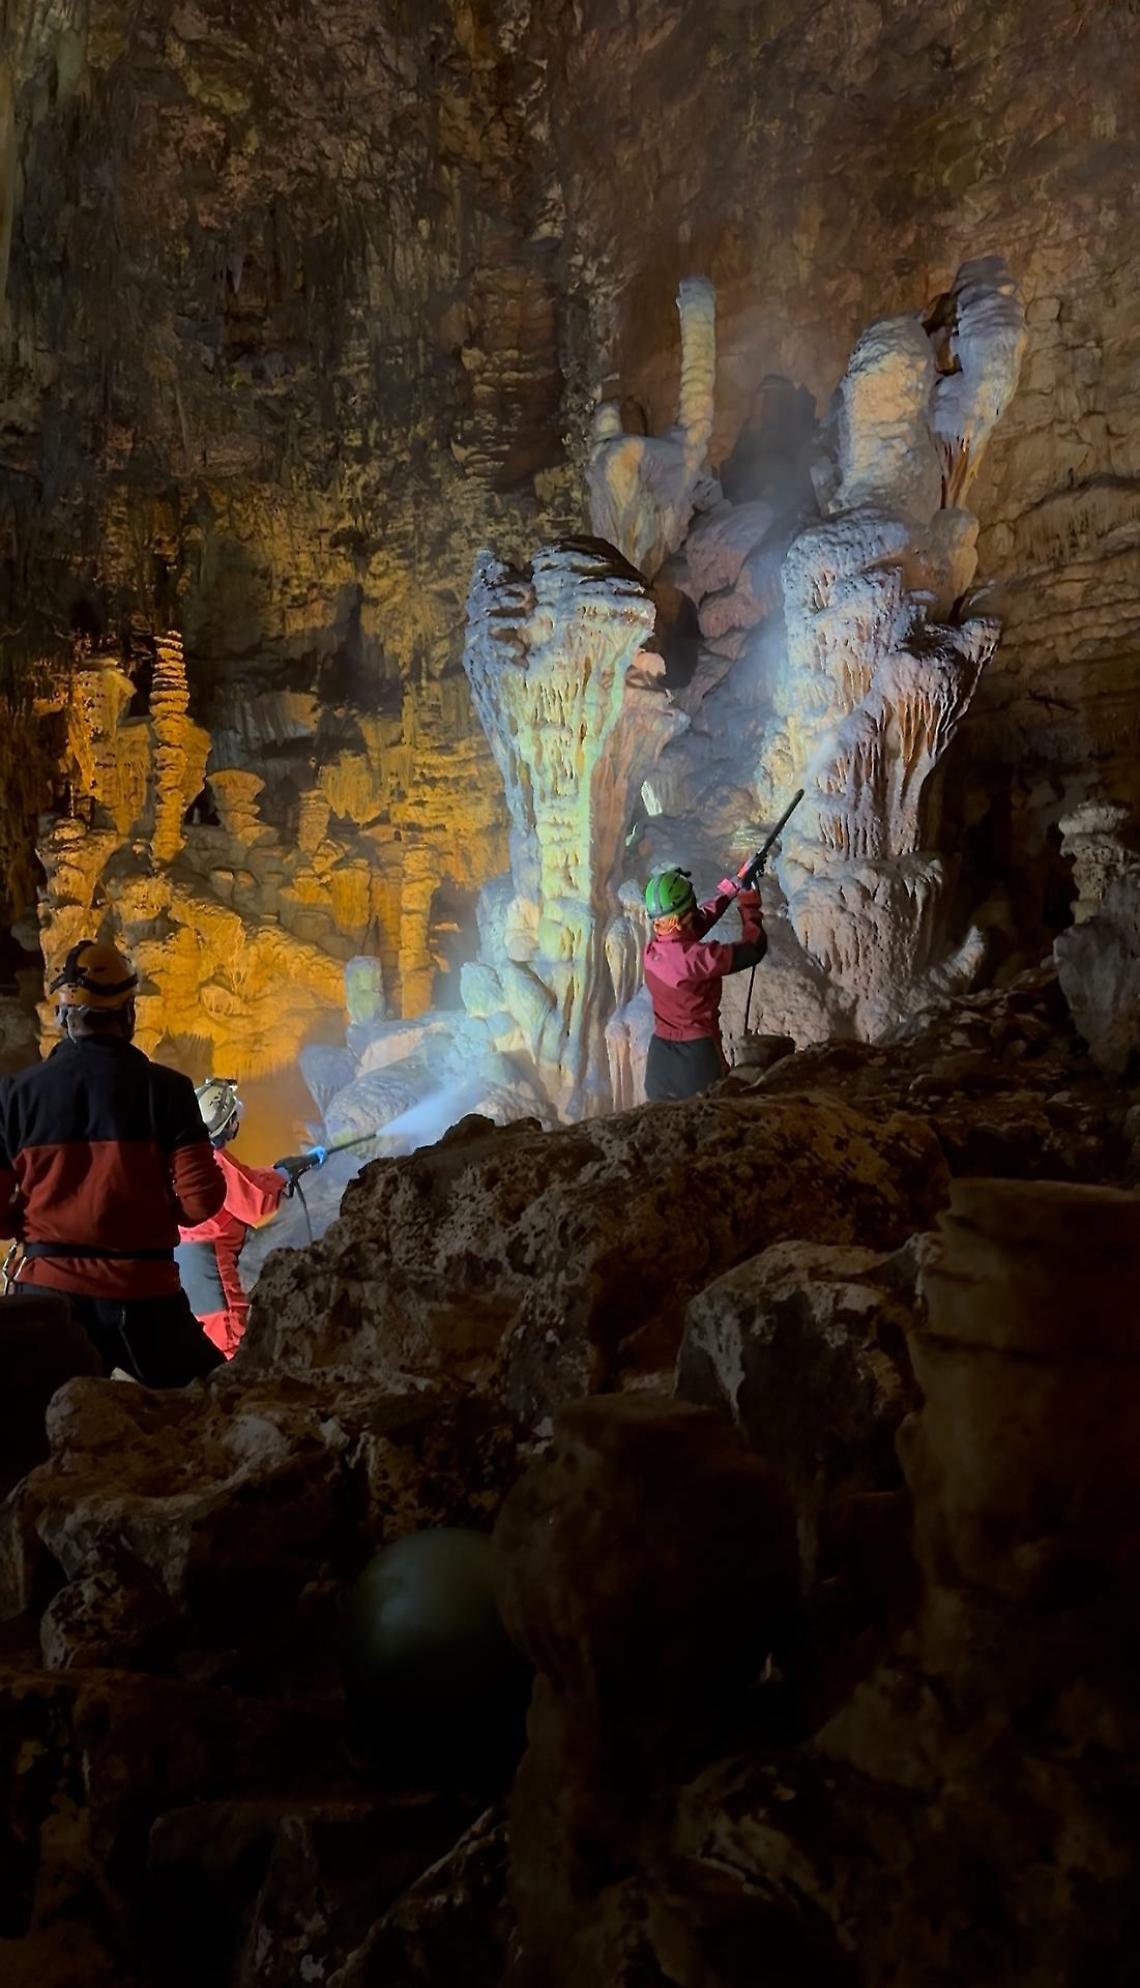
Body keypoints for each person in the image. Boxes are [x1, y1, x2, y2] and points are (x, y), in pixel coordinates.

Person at [0, 940, 227, 1385]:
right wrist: (161, 1212)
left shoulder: (14, 1095)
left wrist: (31, 1222)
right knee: (215, 1412)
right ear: (129, 1014)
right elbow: (202, 1201)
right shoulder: (167, 1090)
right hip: (145, 1297)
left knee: (44, 1433)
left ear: (64, 1017)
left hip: (49, 1296)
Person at [175, 1078, 290, 1358]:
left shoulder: (182, 1157)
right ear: (227, 1123)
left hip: (180, 1265)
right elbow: (256, 1204)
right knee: (229, 1347)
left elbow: (244, 1180)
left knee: (197, 1348)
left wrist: (276, 1171)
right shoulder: (214, 1160)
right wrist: (284, 1178)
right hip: (210, 1271)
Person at [642, 865, 767, 1101]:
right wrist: (749, 905)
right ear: (684, 916)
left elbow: (694, 924)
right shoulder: (700, 958)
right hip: (696, 1058)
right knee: (711, 1115)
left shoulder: (651, 952)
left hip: (659, 1060)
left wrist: (732, 888)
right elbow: (754, 949)